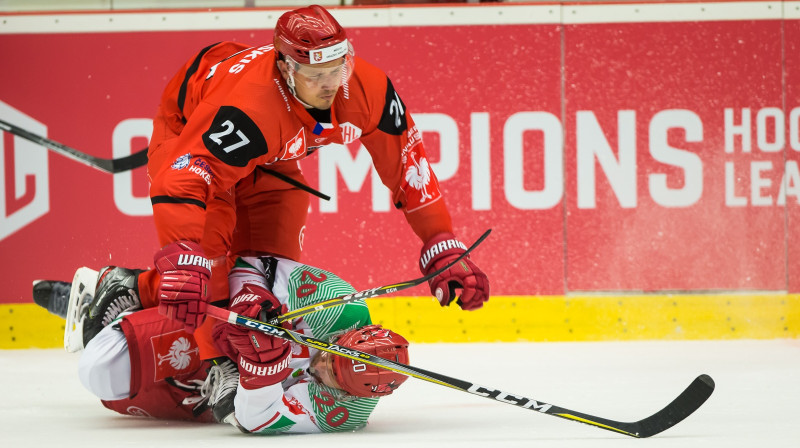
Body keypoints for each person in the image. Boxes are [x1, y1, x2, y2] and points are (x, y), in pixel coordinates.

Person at [33, 256, 410, 434]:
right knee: (102, 368)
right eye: (333, 356)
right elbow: (249, 262)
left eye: (333, 377)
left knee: (108, 391)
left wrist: (262, 370)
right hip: (211, 329)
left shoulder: (344, 415)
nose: (321, 367)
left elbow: (254, 420)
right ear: (350, 336)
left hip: (221, 390)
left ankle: (109, 304)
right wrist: (252, 296)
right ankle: (132, 289)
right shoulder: (336, 299)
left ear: (353, 394)